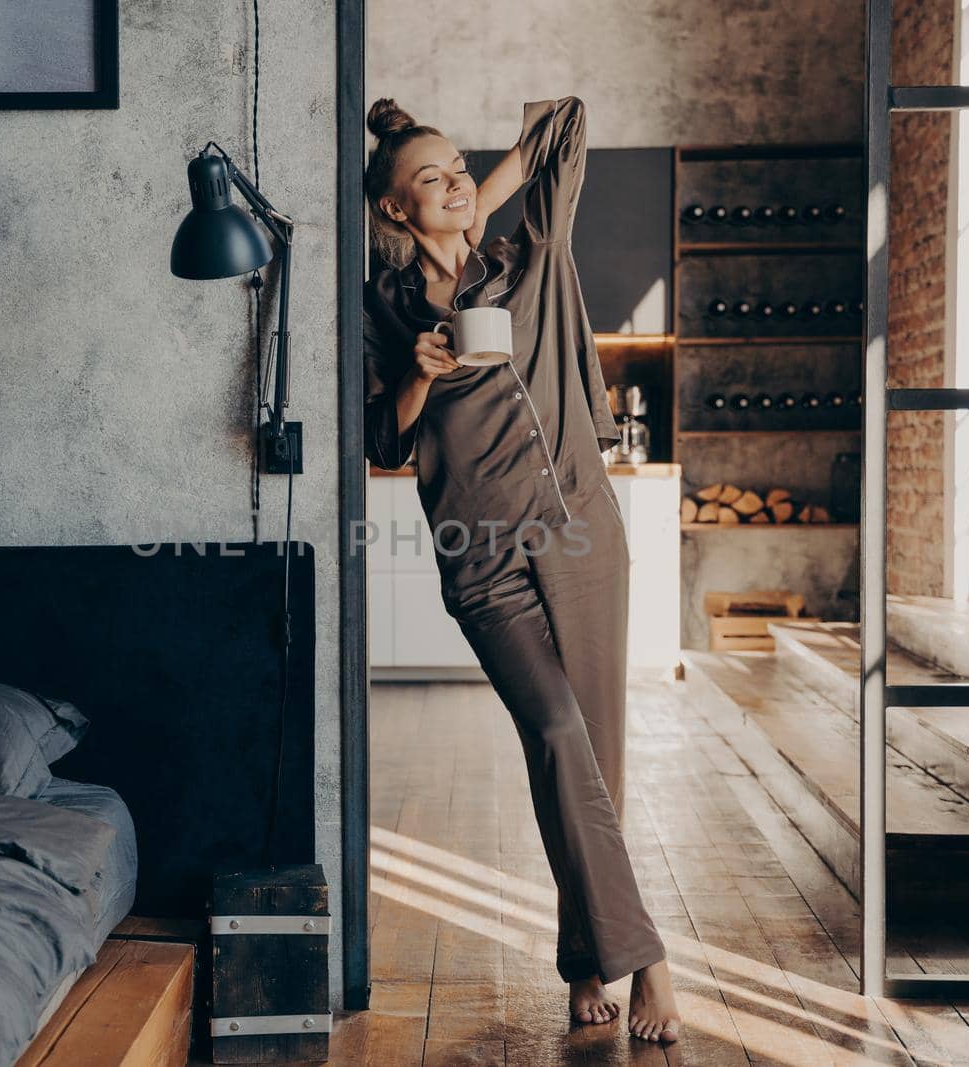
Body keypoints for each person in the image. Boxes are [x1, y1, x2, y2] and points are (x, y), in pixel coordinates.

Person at [361, 95, 682, 1042]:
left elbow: (568, 125)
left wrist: (466, 198)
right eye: (431, 178)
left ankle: (585, 955)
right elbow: (385, 440)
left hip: (583, 527)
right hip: (484, 553)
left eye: (460, 166)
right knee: (553, 728)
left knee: (596, 752)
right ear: (391, 212)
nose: (457, 180)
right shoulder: (386, 308)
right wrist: (420, 369)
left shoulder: (526, 255)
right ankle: (649, 962)